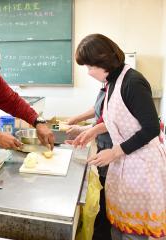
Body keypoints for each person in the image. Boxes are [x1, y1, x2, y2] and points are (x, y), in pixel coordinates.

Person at [74, 33, 166, 239]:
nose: (88, 72)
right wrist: (92, 131)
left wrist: (114, 151)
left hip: (142, 167)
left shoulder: (132, 82)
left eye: (90, 67)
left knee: (135, 233)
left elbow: (151, 128)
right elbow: (119, 118)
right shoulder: (112, 82)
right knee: (118, 228)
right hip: (124, 164)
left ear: (103, 60)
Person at [66, 88, 113, 240]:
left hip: (113, 149)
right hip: (104, 145)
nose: (89, 71)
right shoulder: (106, 84)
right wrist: (77, 119)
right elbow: (98, 110)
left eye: (91, 67)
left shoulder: (124, 85)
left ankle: (103, 232)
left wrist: (84, 130)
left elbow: (110, 121)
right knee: (103, 193)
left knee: (107, 197)